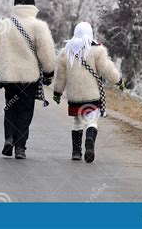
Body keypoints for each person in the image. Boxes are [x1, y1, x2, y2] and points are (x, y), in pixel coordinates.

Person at [0, 0, 55, 159]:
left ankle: (9, 138)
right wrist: (49, 73)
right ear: (33, 6)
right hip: (30, 78)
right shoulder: (38, 26)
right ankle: (20, 147)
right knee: (25, 111)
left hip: (9, 76)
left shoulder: (3, 24)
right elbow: (46, 53)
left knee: (10, 107)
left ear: (16, 5)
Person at [53, 22, 125, 163]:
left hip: (74, 96)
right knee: (91, 120)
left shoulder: (66, 52)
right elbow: (107, 70)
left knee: (77, 122)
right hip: (91, 96)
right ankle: (90, 140)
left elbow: (61, 76)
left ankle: (76, 152)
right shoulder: (97, 51)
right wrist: (119, 81)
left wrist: (57, 92)